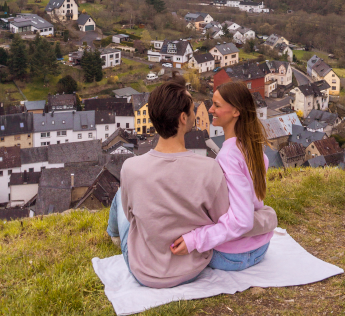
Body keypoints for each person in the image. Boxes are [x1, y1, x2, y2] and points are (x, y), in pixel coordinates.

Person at [107, 75, 277, 288]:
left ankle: (112, 235)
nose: (203, 110)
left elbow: (132, 217)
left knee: (121, 198)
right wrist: (267, 217)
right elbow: (222, 218)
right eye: (193, 108)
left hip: (145, 270)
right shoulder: (209, 169)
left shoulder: (130, 168)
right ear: (183, 118)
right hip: (191, 268)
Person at [171, 81, 274, 271]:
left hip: (231, 256)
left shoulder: (228, 156)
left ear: (236, 111)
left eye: (217, 105)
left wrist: (195, 239)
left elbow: (243, 220)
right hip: (260, 247)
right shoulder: (254, 148)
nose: (210, 109)